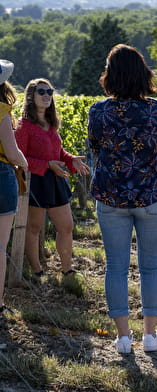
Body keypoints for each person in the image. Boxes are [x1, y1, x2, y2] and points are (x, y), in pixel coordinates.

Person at [88, 44, 157, 354]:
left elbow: (95, 145)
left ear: (110, 76)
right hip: (151, 195)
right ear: (142, 73)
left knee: (116, 267)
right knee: (151, 267)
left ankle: (123, 338)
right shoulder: (154, 109)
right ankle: (150, 336)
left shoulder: (98, 111)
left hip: (111, 197)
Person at [15, 78, 90, 278]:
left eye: (50, 91)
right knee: (34, 228)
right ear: (31, 96)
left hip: (55, 180)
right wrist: (46, 165)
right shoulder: (24, 126)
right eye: (41, 91)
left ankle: (67, 270)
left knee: (66, 226)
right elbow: (19, 159)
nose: (47, 95)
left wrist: (71, 159)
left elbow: (58, 152)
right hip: (35, 181)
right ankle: (37, 271)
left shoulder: (51, 123)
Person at [0, 59, 28, 314]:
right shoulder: (1, 109)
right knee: (0, 244)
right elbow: (11, 152)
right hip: (0, 174)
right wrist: (24, 163)